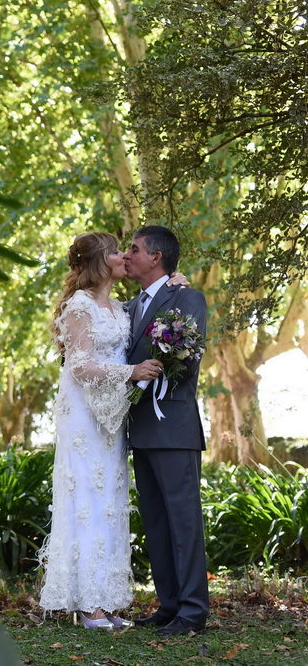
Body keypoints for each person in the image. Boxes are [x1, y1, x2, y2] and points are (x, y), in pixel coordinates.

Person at [38, 231, 167, 630]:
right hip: (82, 415)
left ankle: (107, 600)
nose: (125, 256)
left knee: (109, 499)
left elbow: (149, 309)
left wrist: (173, 283)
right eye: (117, 251)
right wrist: (131, 372)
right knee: (87, 498)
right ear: (101, 261)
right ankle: (88, 605)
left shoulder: (118, 307)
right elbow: (79, 365)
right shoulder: (78, 306)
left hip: (111, 414)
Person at [124, 225, 210, 637]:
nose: (128, 255)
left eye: (134, 249)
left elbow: (186, 358)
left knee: (184, 521)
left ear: (155, 257)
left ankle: (193, 612)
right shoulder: (128, 307)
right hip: (139, 428)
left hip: (173, 426)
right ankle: (169, 604)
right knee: (156, 522)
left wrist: (149, 375)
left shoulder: (187, 297)